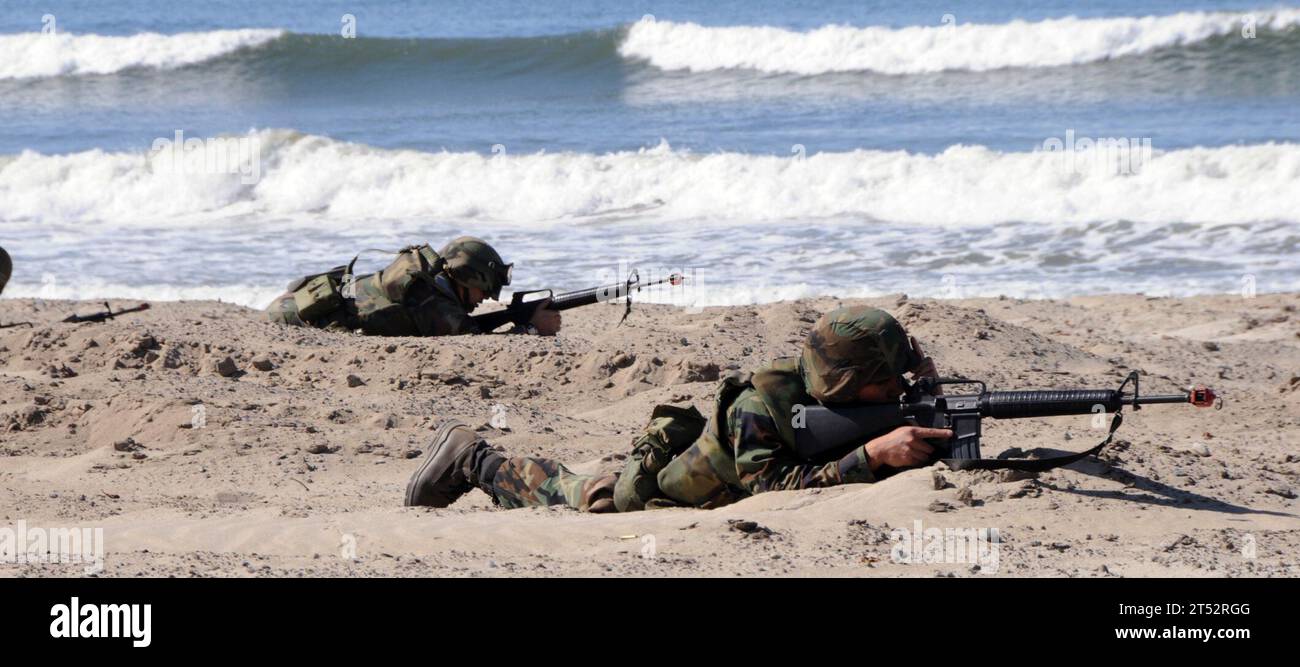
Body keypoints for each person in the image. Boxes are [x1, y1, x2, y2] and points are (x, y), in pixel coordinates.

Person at [404, 306, 951, 512]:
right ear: (852, 381)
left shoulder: (837, 392)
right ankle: (473, 458)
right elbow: (769, 489)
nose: (896, 388)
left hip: (716, 470)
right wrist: (872, 457)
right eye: (888, 381)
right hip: (669, 491)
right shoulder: (761, 403)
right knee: (587, 494)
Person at [265, 236, 560, 336]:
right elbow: (473, 340)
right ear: (468, 277)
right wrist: (532, 328)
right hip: (291, 316)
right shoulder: (430, 300)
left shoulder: (427, 277)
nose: (485, 299)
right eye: (484, 290)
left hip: (292, 301)